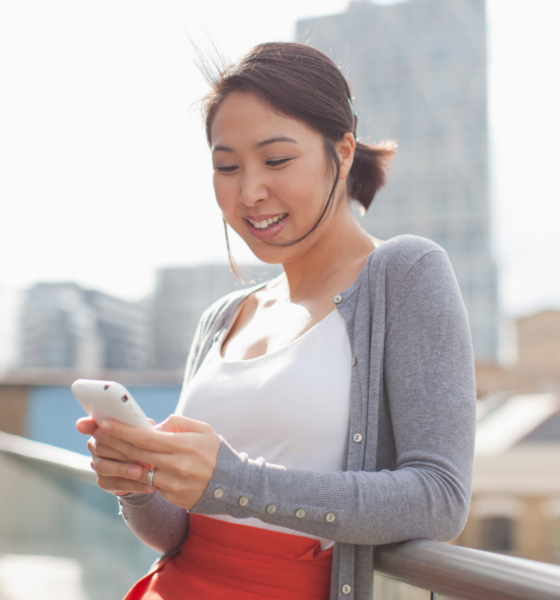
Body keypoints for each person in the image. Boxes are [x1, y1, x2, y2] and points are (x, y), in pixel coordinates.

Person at [77, 42, 476, 600]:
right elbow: (176, 536)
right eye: (226, 166)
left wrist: (234, 482)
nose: (249, 191)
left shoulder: (404, 273)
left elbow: (439, 499)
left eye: (277, 160)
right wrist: (139, 486)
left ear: (342, 151)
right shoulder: (223, 316)